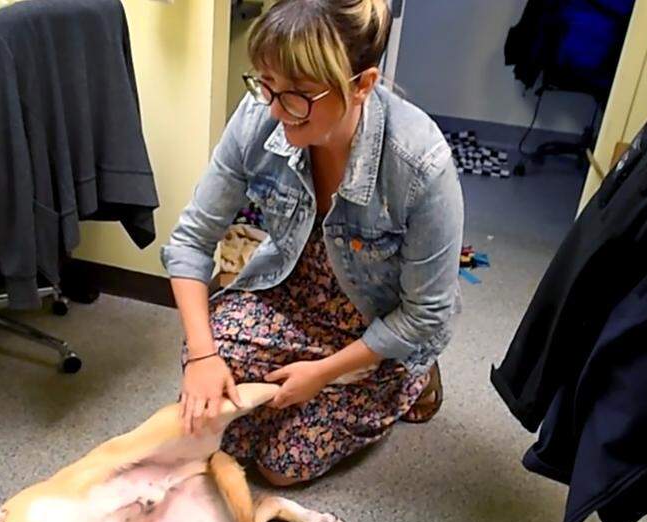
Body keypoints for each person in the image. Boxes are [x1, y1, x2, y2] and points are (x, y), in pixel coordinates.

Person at [161, 0, 464, 487]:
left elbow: (425, 314)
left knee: (280, 467)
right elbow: (191, 241)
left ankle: (412, 380)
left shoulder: (419, 163)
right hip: (292, 294)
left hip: (374, 325)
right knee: (221, 424)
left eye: (298, 95)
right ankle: (320, 388)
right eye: (267, 84)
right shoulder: (261, 113)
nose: (275, 109)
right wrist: (201, 355)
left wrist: (323, 373)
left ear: (362, 85)